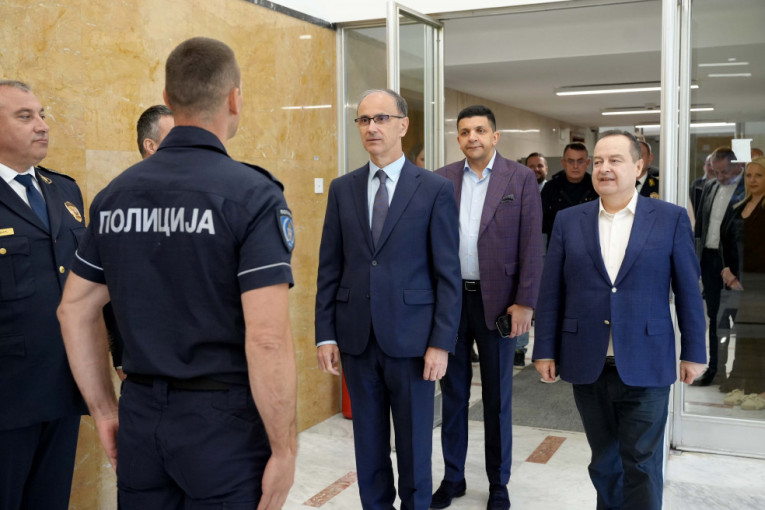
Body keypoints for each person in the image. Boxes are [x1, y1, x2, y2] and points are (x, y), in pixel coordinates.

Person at [57, 37, 297, 509]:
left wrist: (105, 411)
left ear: (168, 98)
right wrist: (285, 449)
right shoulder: (252, 195)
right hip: (223, 425)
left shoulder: (114, 196)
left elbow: (74, 310)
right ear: (234, 99)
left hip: (141, 416)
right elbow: (267, 339)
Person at [533, 130, 706, 510]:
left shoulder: (670, 219)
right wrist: (544, 348)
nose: (604, 168)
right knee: (604, 462)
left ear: (639, 167)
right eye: (598, 161)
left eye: (615, 160)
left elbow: (689, 292)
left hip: (647, 360)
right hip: (588, 361)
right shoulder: (569, 220)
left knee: (642, 463)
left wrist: (694, 351)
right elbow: (551, 291)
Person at [315, 88, 461, 510]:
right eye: (364, 120)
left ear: (403, 125)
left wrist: (441, 342)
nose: (372, 127)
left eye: (381, 118)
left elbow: (447, 273)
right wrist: (326, 333)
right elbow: (329, 267)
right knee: (368, 444)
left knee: (415, 445)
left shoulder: (434, 189)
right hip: (357, 339)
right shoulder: (342, 189)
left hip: (414, 342)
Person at [432, 105, 543, 510]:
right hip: (451, 302)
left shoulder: (520, 178)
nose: (472, 137)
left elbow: (532, 244)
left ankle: (498, 482)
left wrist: (525, 302)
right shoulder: (441, 179)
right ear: (458, 139)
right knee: (453, 394)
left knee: (496, 399)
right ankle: (453, 477)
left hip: (499, 303)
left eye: (480, 130)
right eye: (465, 132)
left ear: (495, 136)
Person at [0, 80, 88, 510]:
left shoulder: (64, 190)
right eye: (25, 116)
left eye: (42, 114)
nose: (42, 125)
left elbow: (90, 281)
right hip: (7, 395)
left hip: (64, 383)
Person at [106, 105, 176, 380]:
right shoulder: (118, 201)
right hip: (142, 358)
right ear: (150, 145)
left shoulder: (200, 196)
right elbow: (110, 284)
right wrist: (120, 356)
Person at [694, 147, 746, 386]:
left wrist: (736, 269)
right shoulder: (710, 187)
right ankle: (715, 369)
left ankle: (738, 374)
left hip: (736, 265)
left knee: (737, 320)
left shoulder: (748, 189)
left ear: (738, 166)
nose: (720, 176)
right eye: (715, 172)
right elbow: (701, 226)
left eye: (724, 171)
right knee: (715, 318)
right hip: (709, 260)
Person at [718, 156, 765, 407]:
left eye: (759, 175)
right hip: (741, 282)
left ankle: (761, 391)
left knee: (761, 338)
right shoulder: (739, 206)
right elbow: (725, 240)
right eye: (749, 175)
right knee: (745, 336)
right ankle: (744, 384)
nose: (753, 180)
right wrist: (727, 270)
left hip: (761, 282)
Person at [540, 142, 598, 242]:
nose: (575, 166)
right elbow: (538, 220)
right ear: (563, 163)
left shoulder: (596, 187)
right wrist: (563, 225)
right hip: (559, 244)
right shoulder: (551, 187)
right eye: (571, 161)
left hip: (589, 244)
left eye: (580, 161)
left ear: (588, 163)